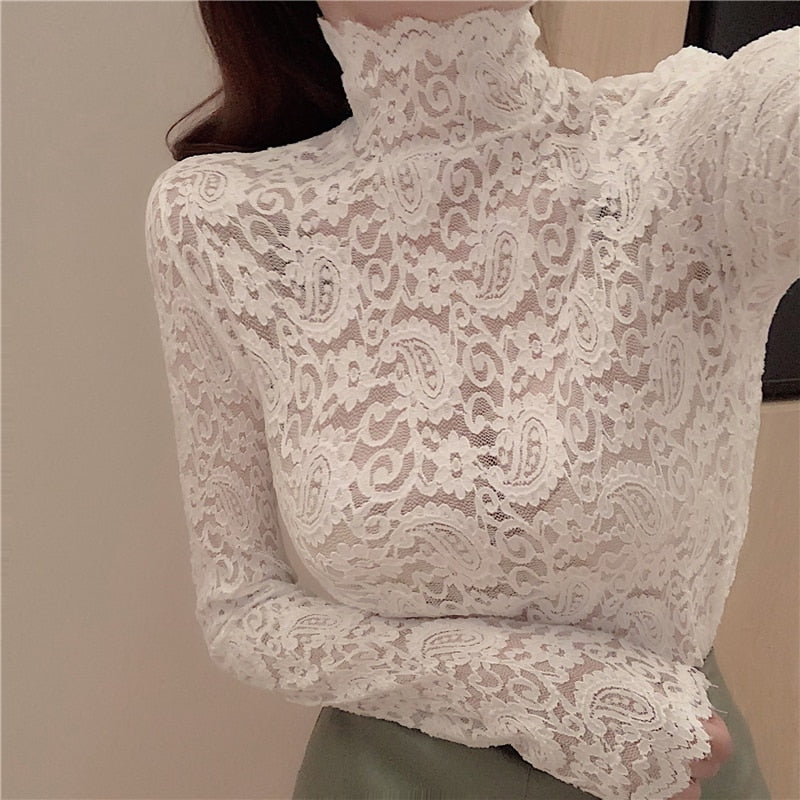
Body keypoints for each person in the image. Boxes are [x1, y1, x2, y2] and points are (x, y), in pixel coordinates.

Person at [144, 1, 798, 798]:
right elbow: (242, 609)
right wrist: (542, 690)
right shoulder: (220, 221)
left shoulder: (694, 141)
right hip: (390, 779)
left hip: (679, 768)